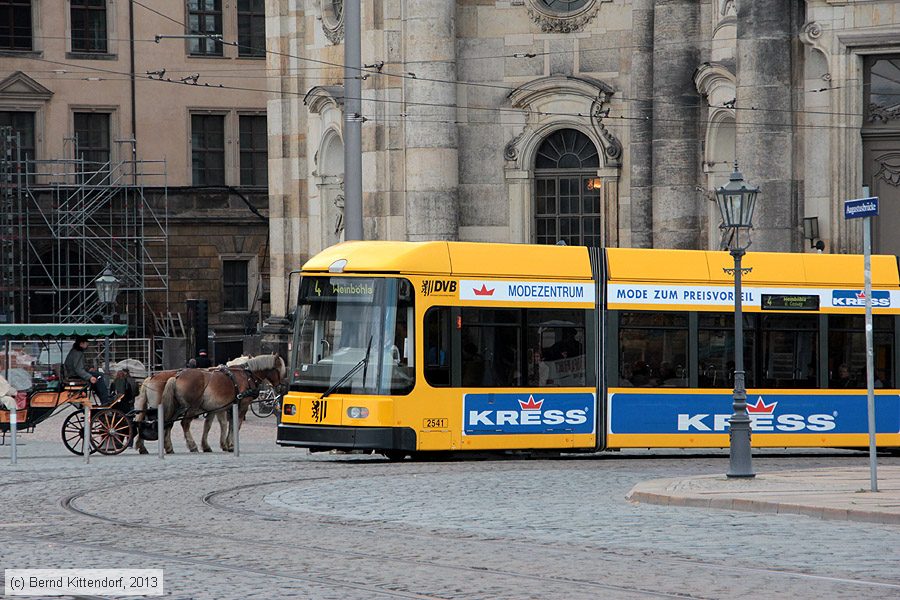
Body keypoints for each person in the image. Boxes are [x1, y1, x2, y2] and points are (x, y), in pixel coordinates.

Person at [63, 336, 110, 405]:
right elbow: (78, 370)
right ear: (81, 344)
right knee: (99, 376)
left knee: (97, 375)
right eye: (86, 343)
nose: (87, 344)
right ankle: (105, 400)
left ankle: (104, 399)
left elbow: (79, 366)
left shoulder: (76, 352)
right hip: (75, 375)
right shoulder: (77, 353)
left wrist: (88, 369)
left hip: (74, 374)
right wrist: (89, 377)